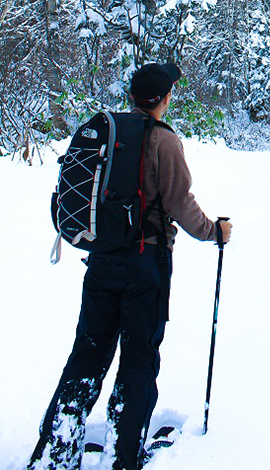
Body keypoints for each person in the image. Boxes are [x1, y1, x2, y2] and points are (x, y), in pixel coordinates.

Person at [28, 62, 231, 470]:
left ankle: (57, 449)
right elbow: (179, 203)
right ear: (162, 99)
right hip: (145, 265)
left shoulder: (110, 133)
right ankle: (125, 451)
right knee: (139, 358)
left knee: (87, 354)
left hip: (101, 263)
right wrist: (215, 231)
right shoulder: (163, 141)